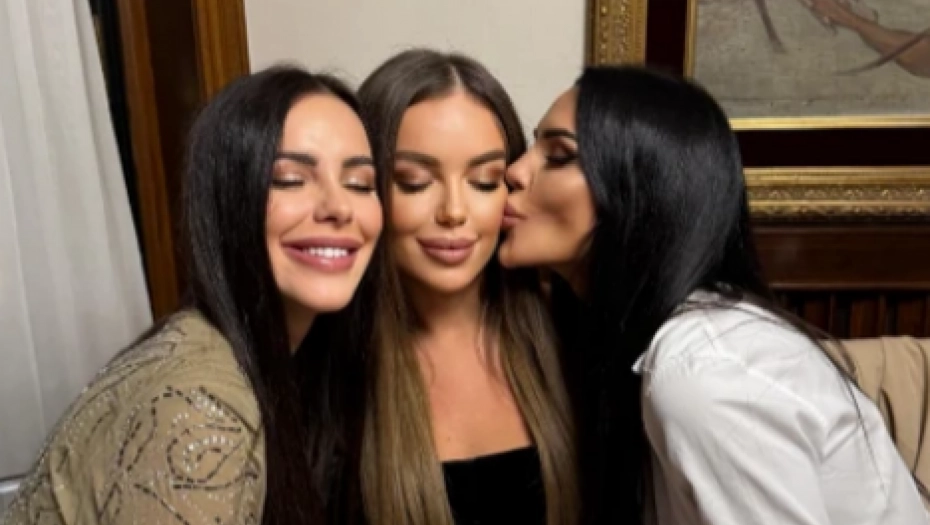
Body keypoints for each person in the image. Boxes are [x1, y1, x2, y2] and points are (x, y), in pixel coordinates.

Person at [498, 64, 928, 524]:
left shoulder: (702, 371)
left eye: (559, 155)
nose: (513, 171)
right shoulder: (630, 342)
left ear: (641, 190)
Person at [1, 65, 382, 525]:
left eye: (360, 184)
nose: (339, 207)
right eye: (289, 179)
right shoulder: (201, 406)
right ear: (229, 198)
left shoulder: (288, 363)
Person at [356, 49, 577, 525]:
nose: (454, 212)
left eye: (484, 181)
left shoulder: (569, 342)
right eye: (414, 182)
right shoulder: (330, 367)